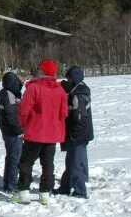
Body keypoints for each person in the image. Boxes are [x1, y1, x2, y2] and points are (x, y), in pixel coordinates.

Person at [15, 59, 68, 205]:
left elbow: (24, 110)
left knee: (26, 162)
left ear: (42, 71)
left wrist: (24, 125)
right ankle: (45, 193)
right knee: (48, 163)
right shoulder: (60, 90)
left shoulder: (34, 88)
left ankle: (23, 192)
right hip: (52, 134)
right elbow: (64, 113)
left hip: (35, 131)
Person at [54, 66, 94, 198]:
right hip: (79, 134)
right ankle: (65, 186)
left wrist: (73, 136)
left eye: (69, 78)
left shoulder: (78, 95)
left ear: (74, 79)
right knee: (71, 161)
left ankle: (80, 190)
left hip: (78, 135)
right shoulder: (78, 90)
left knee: (75, 164)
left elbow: (80, 119)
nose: (67, 80)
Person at [0, 71, 23, 192]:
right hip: (13, 131)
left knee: (11, 157)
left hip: (7, 129)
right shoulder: (7, 95)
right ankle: (11, 185)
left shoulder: (4, 93)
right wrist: (19, 130)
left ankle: (8, 182)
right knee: (15, 158)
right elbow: (11, 114)